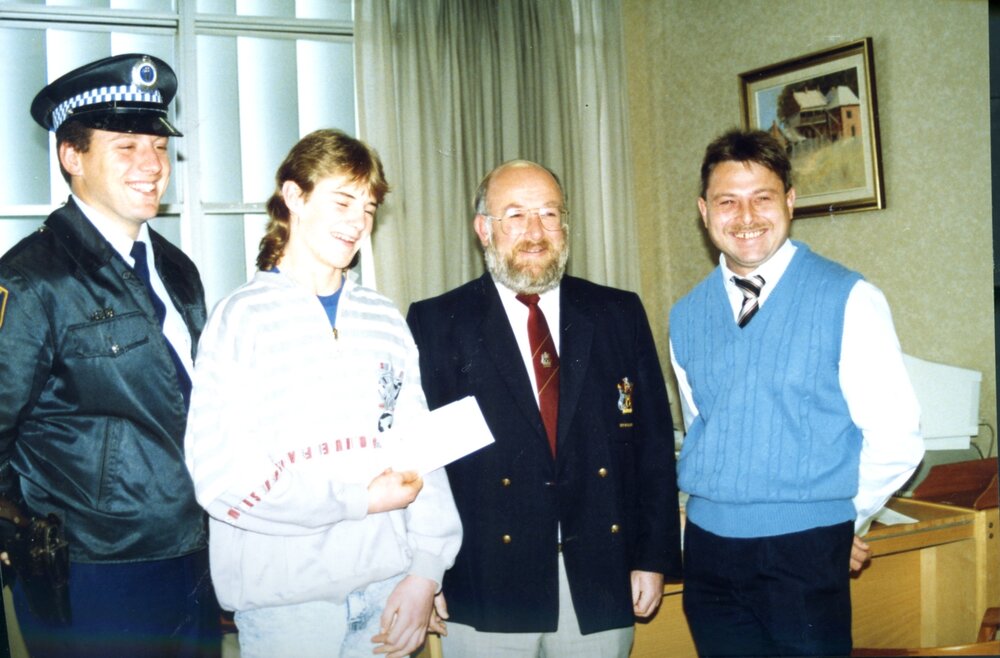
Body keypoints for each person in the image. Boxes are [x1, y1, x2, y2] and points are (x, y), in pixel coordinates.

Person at [183, 128, 462, 658]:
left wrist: (427, 571)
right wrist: (357, 501)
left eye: (369, 207)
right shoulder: (240, 320)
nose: (359, 222)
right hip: (288, 610)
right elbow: (221, 479)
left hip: (389, 592)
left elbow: (420, 452)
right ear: (293, 197)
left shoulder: (383, 318)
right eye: (342, 201)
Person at [406, 160, 681, 657]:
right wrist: (426, 572)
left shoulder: (617, 313)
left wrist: (653, 556)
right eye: (515, 215)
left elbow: (653, 448)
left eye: (549, 215)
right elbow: (424, 466)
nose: (535, 232)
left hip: (598, 577)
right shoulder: (437, 322)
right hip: (485, 584)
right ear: (483, 229)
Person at [669, 128, 925, 657]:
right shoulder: (685, 314)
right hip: (708, 554)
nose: (745, 217)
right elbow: (705, 429)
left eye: (762, 197)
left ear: (789, 201)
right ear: (703, 210)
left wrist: (840, 525)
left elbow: (897, 437)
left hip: (804, 555)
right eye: (727, 201)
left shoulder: (848, 297)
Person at [0, 54, 219, 656]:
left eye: (157, 145)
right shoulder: (32, 281)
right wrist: (26, 530)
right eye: (126, 146)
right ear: (73, 157)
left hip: (193, 548)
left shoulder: (176, 269)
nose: (152, 165)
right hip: (94, 570)